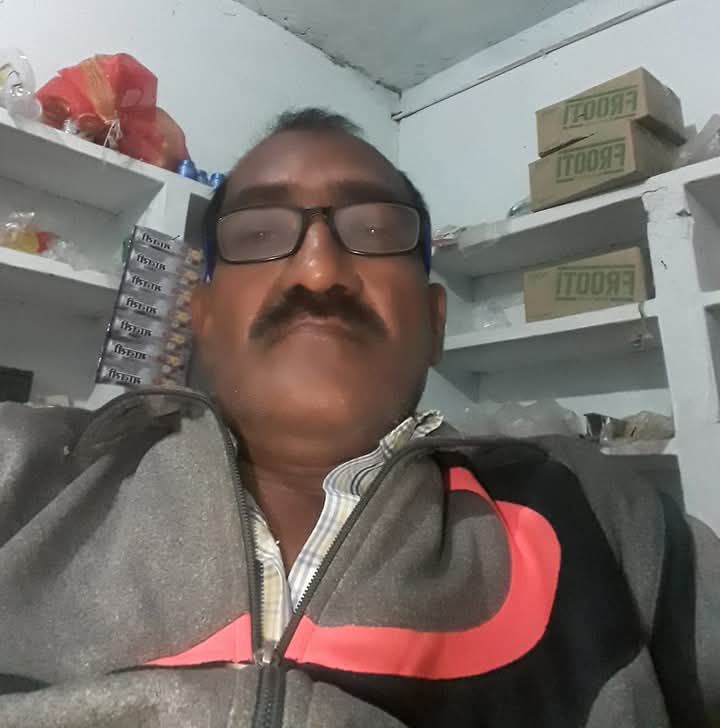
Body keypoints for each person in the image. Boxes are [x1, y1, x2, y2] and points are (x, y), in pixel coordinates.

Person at [0, 108, 717, 728]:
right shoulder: (25, 476)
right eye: (258, 234)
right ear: (204, 320)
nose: (319, 271)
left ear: (434, 323)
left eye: (374, 229)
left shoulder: (611, 525)